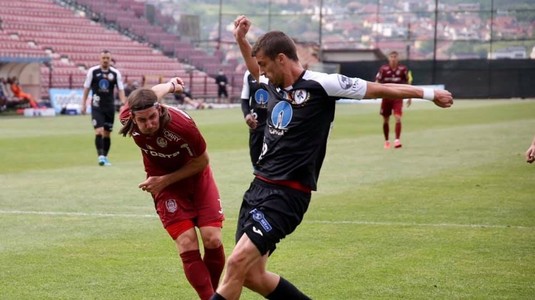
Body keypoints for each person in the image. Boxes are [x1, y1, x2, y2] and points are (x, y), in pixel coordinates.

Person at [210, 15, 454, 300]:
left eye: (264, 65)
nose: (260, 73)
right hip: (257, 188)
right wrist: (241, 40)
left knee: (236, 263)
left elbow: (376, 89)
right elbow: (254, 67)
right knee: (252, 275)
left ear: (280, 59)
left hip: (287, 194)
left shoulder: (322, 84)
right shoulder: (274, 84)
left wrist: (428, 93)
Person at [119, 77, 226, 300]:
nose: (149, 124)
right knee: (186, 241)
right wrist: (170, 85)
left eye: (152, 117)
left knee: (212, 239)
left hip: (197, 178)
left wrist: (164, 180)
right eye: (143, 120)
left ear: (158, 110)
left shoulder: (182, 126)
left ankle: (215, 295)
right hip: (165, 186)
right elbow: (152, 93)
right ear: (132, 117)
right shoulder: (127, 117)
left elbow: (202, 161)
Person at [82, 50, 126, 166]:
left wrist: (123, 103)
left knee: (107, 133)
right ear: (100, 59)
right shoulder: (93, 71)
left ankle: (105, 156)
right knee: (99, 131)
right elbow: (86, 88)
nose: (105, 60)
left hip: (109, 107)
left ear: (110, 59)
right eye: (103, 58)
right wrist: (83, 103)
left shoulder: (115, 73)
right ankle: (100, 157)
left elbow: (121, 89)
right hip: (97, 106)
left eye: (107, 58)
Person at [375, 50, 413, 149]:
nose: (393, 58)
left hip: (397, 97)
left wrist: (410, 96)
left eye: (395, 56)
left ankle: (397, 140)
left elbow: (408, 83)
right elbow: (377, 81)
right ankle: (387, 141)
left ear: (398, 58)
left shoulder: (403, 69)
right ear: (389, 58)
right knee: (385, 120)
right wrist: (375, 93)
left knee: (398, 118)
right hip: (386, 98)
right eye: (391, 56)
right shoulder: (383, 69)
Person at [240, 70, 268, 167]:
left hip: (273, 125)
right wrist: (247, 114)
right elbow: (244, 99)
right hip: (256, 124)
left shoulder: (275, 70)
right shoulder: (248, 74)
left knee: (272, 160)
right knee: (255, 160)